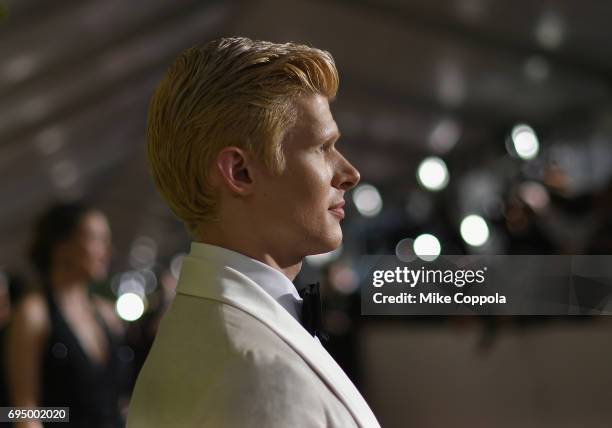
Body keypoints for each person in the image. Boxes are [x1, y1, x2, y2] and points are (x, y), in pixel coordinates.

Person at [127, 37, 380, 427]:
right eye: (322, 148)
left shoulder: (202, 337)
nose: (349, 173)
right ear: (239, 172)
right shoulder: (259, 376)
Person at [7, 202, 129, 428]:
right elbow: (21, 410)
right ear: (61, 245)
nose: (107, 250)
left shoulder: (106, 314)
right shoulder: (33, 313)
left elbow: (117, 398)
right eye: (96, 239)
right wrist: (63, 417)